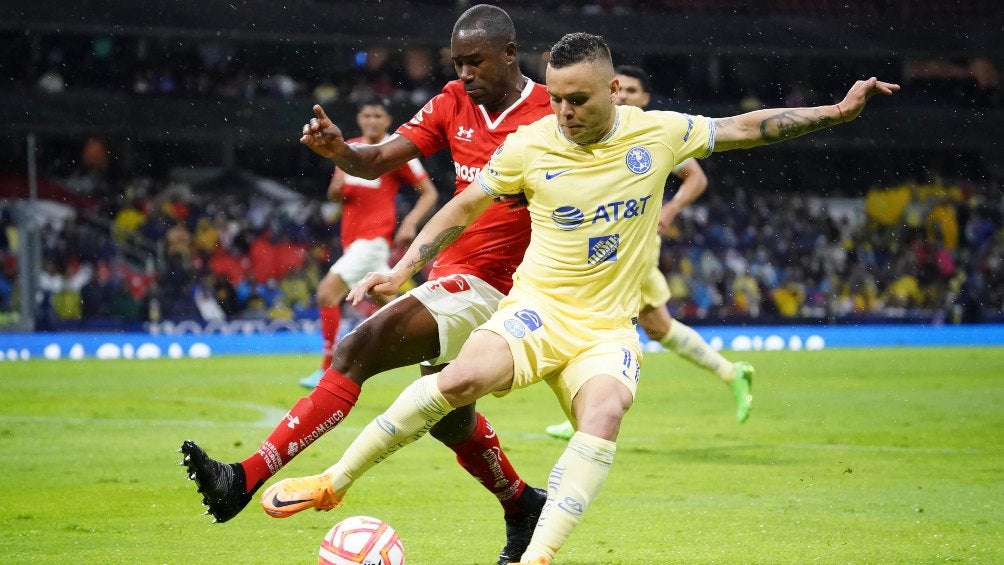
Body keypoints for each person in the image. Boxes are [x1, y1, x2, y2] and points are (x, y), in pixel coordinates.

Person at [259, 33, 899, 565]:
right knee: (457, 381)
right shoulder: (530, 144)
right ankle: (333, 482)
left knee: (604, 413)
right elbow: (463, 206)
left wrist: (837, 113)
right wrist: (404, 269)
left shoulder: (658, 133)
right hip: (535, 312)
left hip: (605, 329)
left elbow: (745, 126)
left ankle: (537, 557)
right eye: (557, 98)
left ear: (613, 89)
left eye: (578, 99)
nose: (563, 111)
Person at [180, 6, 554, 564]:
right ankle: (522, 504)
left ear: (509, 53)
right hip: (450, 275)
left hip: (499, 285)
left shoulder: (551, 110)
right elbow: (375, 160)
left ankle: (244, 477)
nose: (465, 73)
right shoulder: (453, 100)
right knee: (452, 422)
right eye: (457, 62)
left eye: (475, 61)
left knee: (358, 349)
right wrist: (340, 152)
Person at [544, 64, 754, 441]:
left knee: (589, 315)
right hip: (601, 239)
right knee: (656, 326)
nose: (624, 95)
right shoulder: (597, 130)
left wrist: (670, 210)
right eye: (620, 89)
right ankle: (730, 372)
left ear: (645, 98)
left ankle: (590, 412)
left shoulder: (651, 133)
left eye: (632, 91)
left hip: (630, 245)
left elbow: (697, 177)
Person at [299, 96, 439, 388]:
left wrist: (410, 222)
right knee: (391, 306)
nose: (372, 121)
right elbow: (335, 195)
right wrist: (335, 189)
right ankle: (437, 350)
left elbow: (429, 192)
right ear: (359, 119)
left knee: (326, 293)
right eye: (367, 115)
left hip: (373, 241)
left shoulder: (394, 151)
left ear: (387, 121)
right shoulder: (348, 147)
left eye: (378, 115)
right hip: (352, 242)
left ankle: (326, 368)